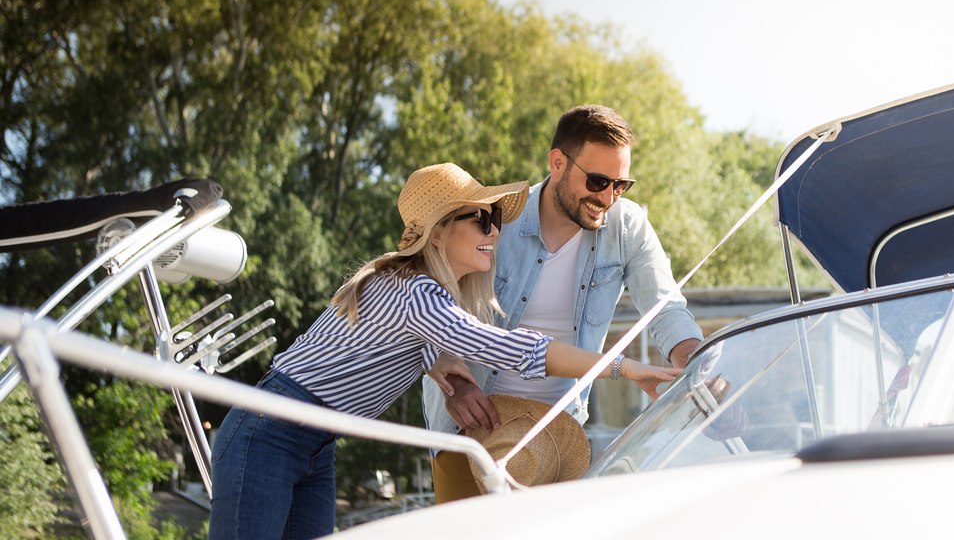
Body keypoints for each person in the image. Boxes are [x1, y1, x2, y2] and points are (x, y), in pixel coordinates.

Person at [207, 163, 679, 540]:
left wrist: (448, 375)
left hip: (315, 444)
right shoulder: (418, 295)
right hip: (269, 432)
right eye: (479, 219)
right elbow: (513, 348)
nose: (494, 231)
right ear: (436, 232)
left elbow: (415, 346)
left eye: (495, 219)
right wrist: (627, 368)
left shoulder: (419, 290)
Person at [422, 104, 704, 502]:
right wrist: (451, 383)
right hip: (467, 428)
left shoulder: (628, 228)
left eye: (621, 185)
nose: (608, 197)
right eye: (598, 180)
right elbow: (429, 303)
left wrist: (695, 366)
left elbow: (666, 307)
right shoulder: (495, 219)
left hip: (557, 441)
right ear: (558, 162)